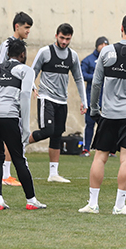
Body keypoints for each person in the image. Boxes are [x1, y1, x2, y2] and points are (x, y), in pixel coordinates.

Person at [79, 13, 126, 215]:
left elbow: (96, 83)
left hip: (108, 113)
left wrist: (94, 108)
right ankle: (119, 206)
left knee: (99, 157)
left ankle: (92, 204)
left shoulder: (106, 52)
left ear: (121, 28)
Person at [0, 38, 44, 211]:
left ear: (7, 54)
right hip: (8, 116)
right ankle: (31, 200)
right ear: (23, 54)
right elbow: (25, 95)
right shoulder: (26, 70)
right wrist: (26, 128)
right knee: (18, 159)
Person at [30, 23, 88, 183]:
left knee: (57, 135)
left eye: (67, 39)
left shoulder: (72, 56)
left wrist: (84, 101)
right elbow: (32, 72)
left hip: (62, 101)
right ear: (56, 36)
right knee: (47, 130)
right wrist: (32, 87)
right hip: (46, 98)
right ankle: (22, 141)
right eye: (62, 38)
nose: (64, 42)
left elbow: (78, 78)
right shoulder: (45, 52)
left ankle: (53, 174)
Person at [0, 11, 33, 186]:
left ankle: (7, 173)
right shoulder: (7, 45)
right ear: (17, 27)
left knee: (14, 133)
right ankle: (5, 175)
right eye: (26, 27)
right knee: (10, 135)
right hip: (7, 96)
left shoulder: (19, 46)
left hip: (15, 95)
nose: (28, 31)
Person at [81, 36, 109, 155]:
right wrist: (97, 77)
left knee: (107, 125)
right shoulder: (88, 60)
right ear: (97, 46)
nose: (103, 47)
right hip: (91, 97)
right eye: (101, 44)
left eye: (106, 45)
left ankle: (108, 149)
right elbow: (82, 75)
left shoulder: (110, 60)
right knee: (90, 123)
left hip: (107, 98)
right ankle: (86, 148)